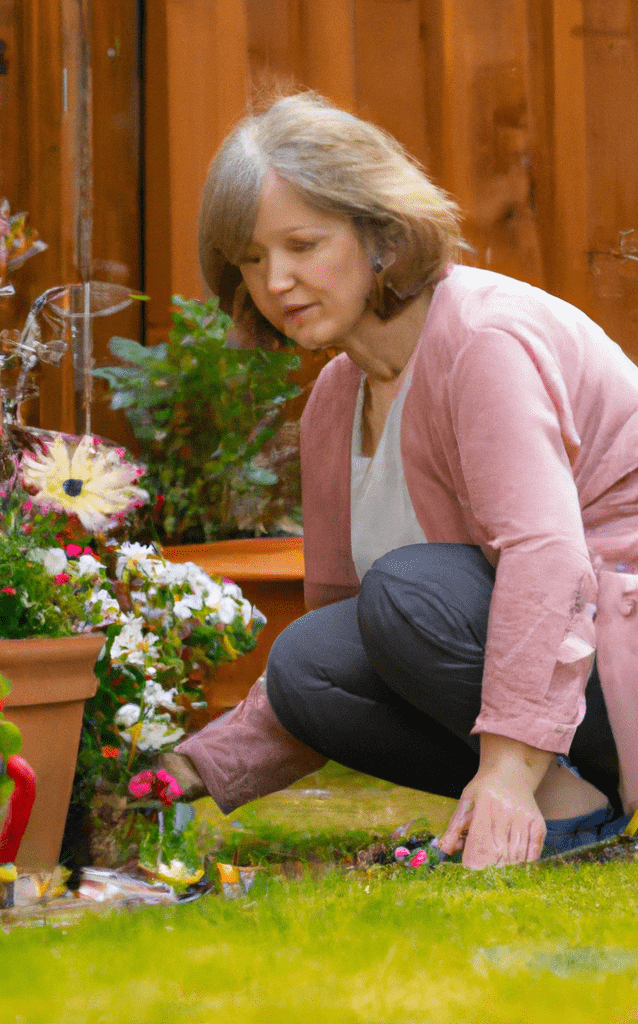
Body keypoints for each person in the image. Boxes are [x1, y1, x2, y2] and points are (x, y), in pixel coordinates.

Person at [162, 91, 638, 869]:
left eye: (302, 245)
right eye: (251, 258)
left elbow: (547, 561)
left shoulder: (484, 342)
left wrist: (505, 770)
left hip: (619, 653)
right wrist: (194, 768)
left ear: (380, 235)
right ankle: (569, 804)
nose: (275, 280)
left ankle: (534, 792)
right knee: (309, 661)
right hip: (569, 693)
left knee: (407, 592)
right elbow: (341, 642)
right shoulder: (334, 401)